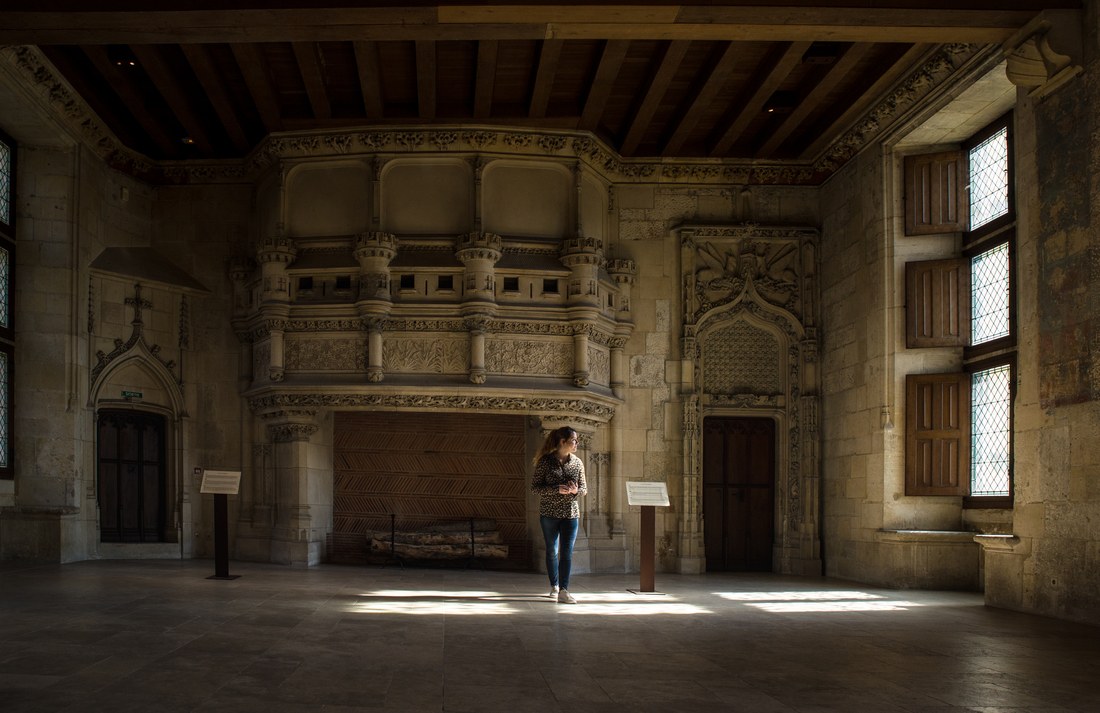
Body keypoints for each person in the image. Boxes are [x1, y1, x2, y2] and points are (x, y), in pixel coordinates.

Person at [531, 426, 587, 604]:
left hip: (571, 514)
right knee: (552, 551)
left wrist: (575, 490)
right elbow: (535, 488)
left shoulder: (578, 463)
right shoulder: (545, 462)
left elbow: (584, 489)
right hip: (549, 514)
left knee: (567, 552)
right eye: (573, 440)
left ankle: (564, 589)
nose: (576, 443)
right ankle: (554, 585)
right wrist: (556, 489)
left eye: (577, 440)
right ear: (562, 442)